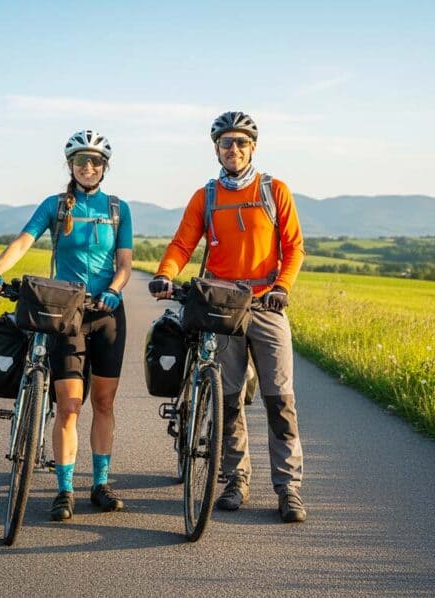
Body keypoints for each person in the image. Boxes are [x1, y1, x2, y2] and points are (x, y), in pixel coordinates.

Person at [148, 111, 307, 523]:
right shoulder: (206, 196)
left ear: (253, 147)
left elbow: (294, 247)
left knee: (280, 400)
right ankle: (236, 479)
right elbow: (182, 244)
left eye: (241, 142)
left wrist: (282, 287)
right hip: (220, 306)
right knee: (229, 400)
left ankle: (288, 488)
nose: (233, 149)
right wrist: (165, 274)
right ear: (216, 148)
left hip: (267, 305)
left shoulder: (274, 190)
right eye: (225, 142)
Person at [0, 130, 133, 521]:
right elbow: (23, 241)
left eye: (95, 161)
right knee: (69, 405)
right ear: (71, 165)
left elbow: (125, 264)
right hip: (66, 314)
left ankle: (100, 484)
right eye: (81, 160)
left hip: (107, 314)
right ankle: (65, 490)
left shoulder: (118, 209)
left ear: (105, 167)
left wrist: (114, 290)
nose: (88, 167)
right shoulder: (55, 205)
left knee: (104, 402)